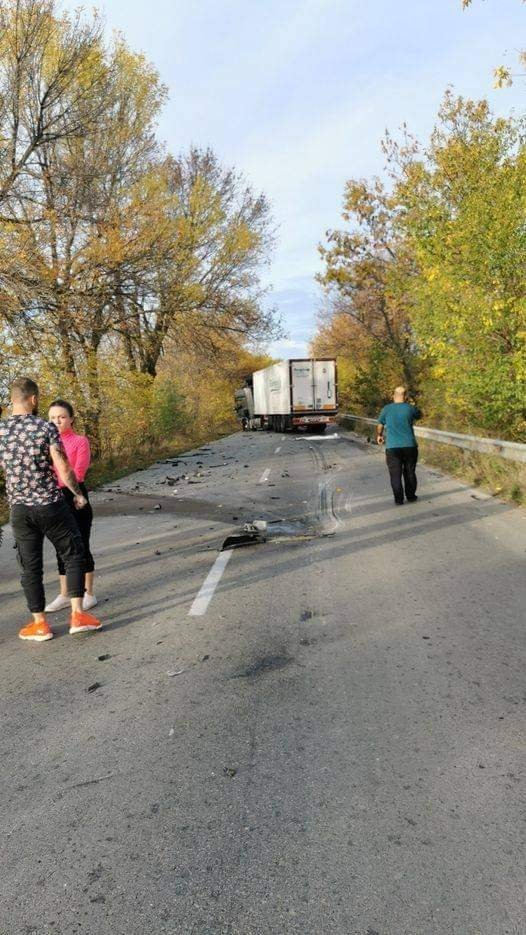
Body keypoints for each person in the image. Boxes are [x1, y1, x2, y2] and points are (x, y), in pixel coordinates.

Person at [0, 377, 103, 642]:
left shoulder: (1, 431)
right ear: (33, 399)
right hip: (50, 504)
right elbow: (63, 466)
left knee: (29, 566)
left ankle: (39, 625)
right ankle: (78, 616)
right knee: (73, 552)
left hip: (20, 510)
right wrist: (77, 494)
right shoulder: (44, 427)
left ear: (12, 399)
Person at [45, 399, 98, 613]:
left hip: (75, 494)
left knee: (81, 543)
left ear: (71, 418)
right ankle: (65, 594)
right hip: (54, 496)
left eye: (62, 417)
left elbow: (79, 471)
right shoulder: (48, 443)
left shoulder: (80, 441)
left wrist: (64, 485)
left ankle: (89, 593)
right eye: (52, 418)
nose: (57, 421)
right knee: (61, 546)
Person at [376, 386, 421, 505]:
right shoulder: (410, 408)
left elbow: (380, 424)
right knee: (410, 472)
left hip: (392, 447)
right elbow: (419, 415)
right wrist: (412, 403)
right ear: (405, 396)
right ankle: (411, 496)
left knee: (395, 474)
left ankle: (398, 499)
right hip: (409, 446)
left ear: (393, 396)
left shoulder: (386, 409)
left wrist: (379, 435)